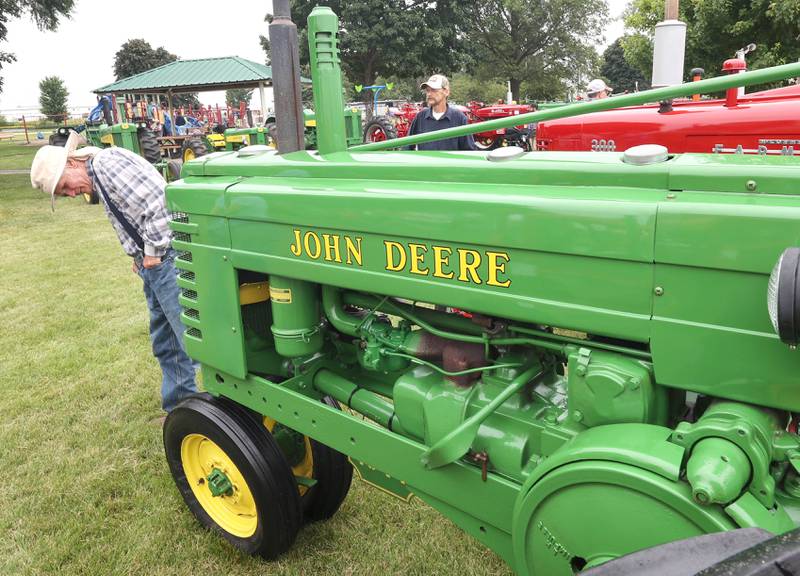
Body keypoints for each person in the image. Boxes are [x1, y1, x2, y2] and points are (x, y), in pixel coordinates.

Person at [30, 132, 198, 414]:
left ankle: (229, 417)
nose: (71, 193)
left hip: (168, 258)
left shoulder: (108, 164)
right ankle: (181, 410)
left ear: (71, 164)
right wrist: (137, 254)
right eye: (63, 194)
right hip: (155, 264)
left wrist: (152, 253)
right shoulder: (99, 173)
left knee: (192, 340)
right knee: (166, 342)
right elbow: (129, 214)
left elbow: (159, 205)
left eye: (64, 187)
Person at [406, 74, 476, 151]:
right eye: (428, 90)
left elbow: (468, 151)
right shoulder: (420, 117)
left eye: (434, 90)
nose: (429, 94)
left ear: (446, 92)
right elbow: (407, 146)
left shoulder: (459, 118)